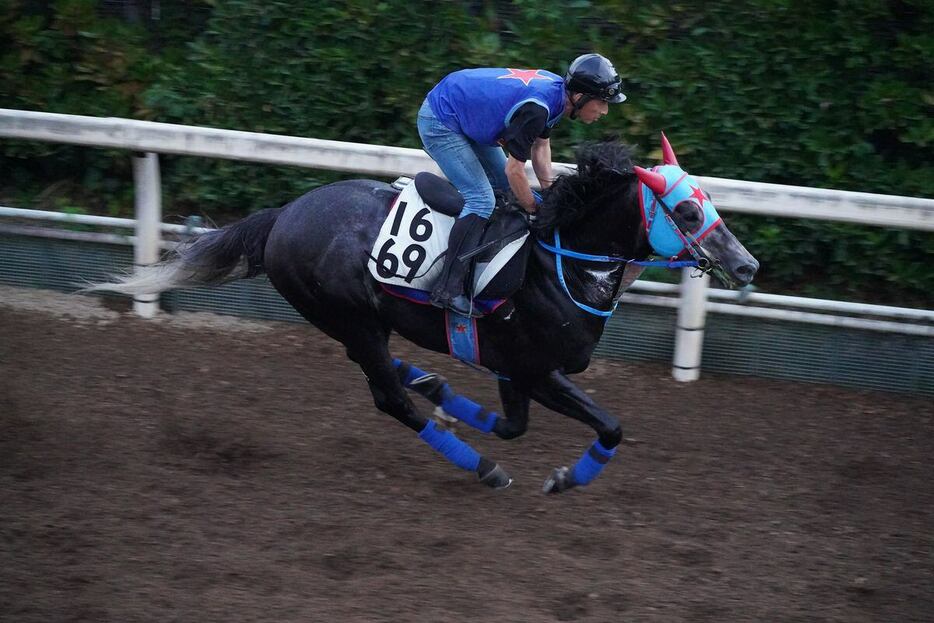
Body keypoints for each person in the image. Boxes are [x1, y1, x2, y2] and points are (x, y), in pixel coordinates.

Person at [417, 53, 626, 316]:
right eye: (602, 102)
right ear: (581, 95)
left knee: (504, 191)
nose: (604, 111)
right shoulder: (538, 108)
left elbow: (541, 145)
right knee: (482, 199)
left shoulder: (557, 97)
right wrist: (534, 209)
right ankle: (447, 289)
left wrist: (549, 192)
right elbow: (515, 170)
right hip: (441, 120)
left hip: (463, 113)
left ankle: (479, 266)